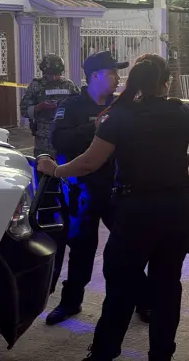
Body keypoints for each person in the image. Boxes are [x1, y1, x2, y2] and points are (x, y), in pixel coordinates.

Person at [37, 54, 189, 361]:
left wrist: (55, 170)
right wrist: (172, 159)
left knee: (120, 284)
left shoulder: (118, 115)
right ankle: (161, 354)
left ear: (134, 82)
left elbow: (90, 162)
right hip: (178, 209)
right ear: (166, 83)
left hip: (136, 212)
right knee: (167, 286)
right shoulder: (184, 112)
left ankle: (104, 352)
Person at [46, 51, 151, 325]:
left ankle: (144, 300)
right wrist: (94, 127)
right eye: (112, 72)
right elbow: (59, 141)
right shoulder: (71, 106)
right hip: (83, 191)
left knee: (129, 248)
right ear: (95, 76)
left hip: (118, 189)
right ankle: (70, 302)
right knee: (81, 249)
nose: (117, 78)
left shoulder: (123, 106)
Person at [20, 54, 79, 156]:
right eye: (51, 75)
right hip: (44, 139)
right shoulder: (36, 86)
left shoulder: (69, 85)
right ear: (44, 72)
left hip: (66, 135)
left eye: (57, 74)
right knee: (43, 164)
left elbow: (79, 104)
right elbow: (24, 110)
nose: (54, 77)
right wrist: (40, 106)